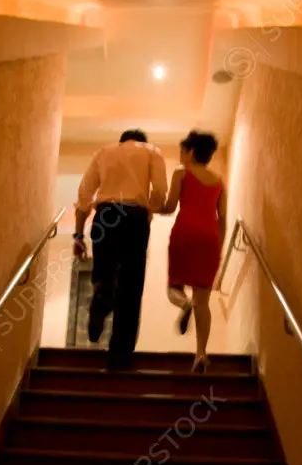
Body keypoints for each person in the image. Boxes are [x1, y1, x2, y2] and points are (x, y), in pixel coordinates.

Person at [73, 129, 168, 370]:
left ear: (122, 140)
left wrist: (77, 235)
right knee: (131, 285)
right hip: (134, 217)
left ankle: (102, 297)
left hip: (105, 215)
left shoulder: (104, 152)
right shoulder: (152, 152)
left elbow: (84, 193)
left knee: (104, 271)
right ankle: (120, 355)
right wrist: (150, 212)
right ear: (142, 140)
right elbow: (159, 190)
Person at [159, 130, 226, 373]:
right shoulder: (219, 181)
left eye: (181, 152)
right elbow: (223, 219)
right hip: (209, 241)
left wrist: (149, 205)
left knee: (173, 288)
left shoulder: (181, 173)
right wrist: (218, 248)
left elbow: (169, 207)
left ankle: (184, 305)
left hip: (185, 235)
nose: (180, 156)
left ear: (191, 151)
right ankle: (200, 354)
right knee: (203, 302)